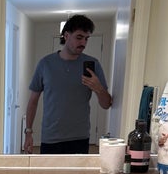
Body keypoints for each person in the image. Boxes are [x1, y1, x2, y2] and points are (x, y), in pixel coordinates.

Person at [23, 14, 112, 155]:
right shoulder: (45, 64)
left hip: (80, 138)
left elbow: (106, 104)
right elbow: (33, 101)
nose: (83, 43)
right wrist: (28, 132)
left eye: (86, 38)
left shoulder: (93, 64)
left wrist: (99, 88)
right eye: (79, 37)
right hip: (51, 138)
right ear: (66, 36)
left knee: (77, 171)